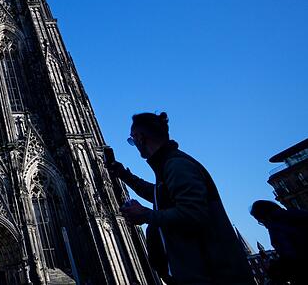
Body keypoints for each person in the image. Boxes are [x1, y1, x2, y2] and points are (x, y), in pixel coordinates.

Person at [105, 112, 254, 284]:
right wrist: (124, 175)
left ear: (140, 137)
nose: (134, 144)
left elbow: (194, 214)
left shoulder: (177, 165)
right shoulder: (169, 165)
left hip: (212, 275)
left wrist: (146, 215)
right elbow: (160, 194)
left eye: (132, 140)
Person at [250, 200, 308, 284]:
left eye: (260, 221)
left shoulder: (277, 227)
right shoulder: (298, 215)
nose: (263, 224)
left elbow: (293, 255)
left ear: (264, 217)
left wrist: (275, 268)